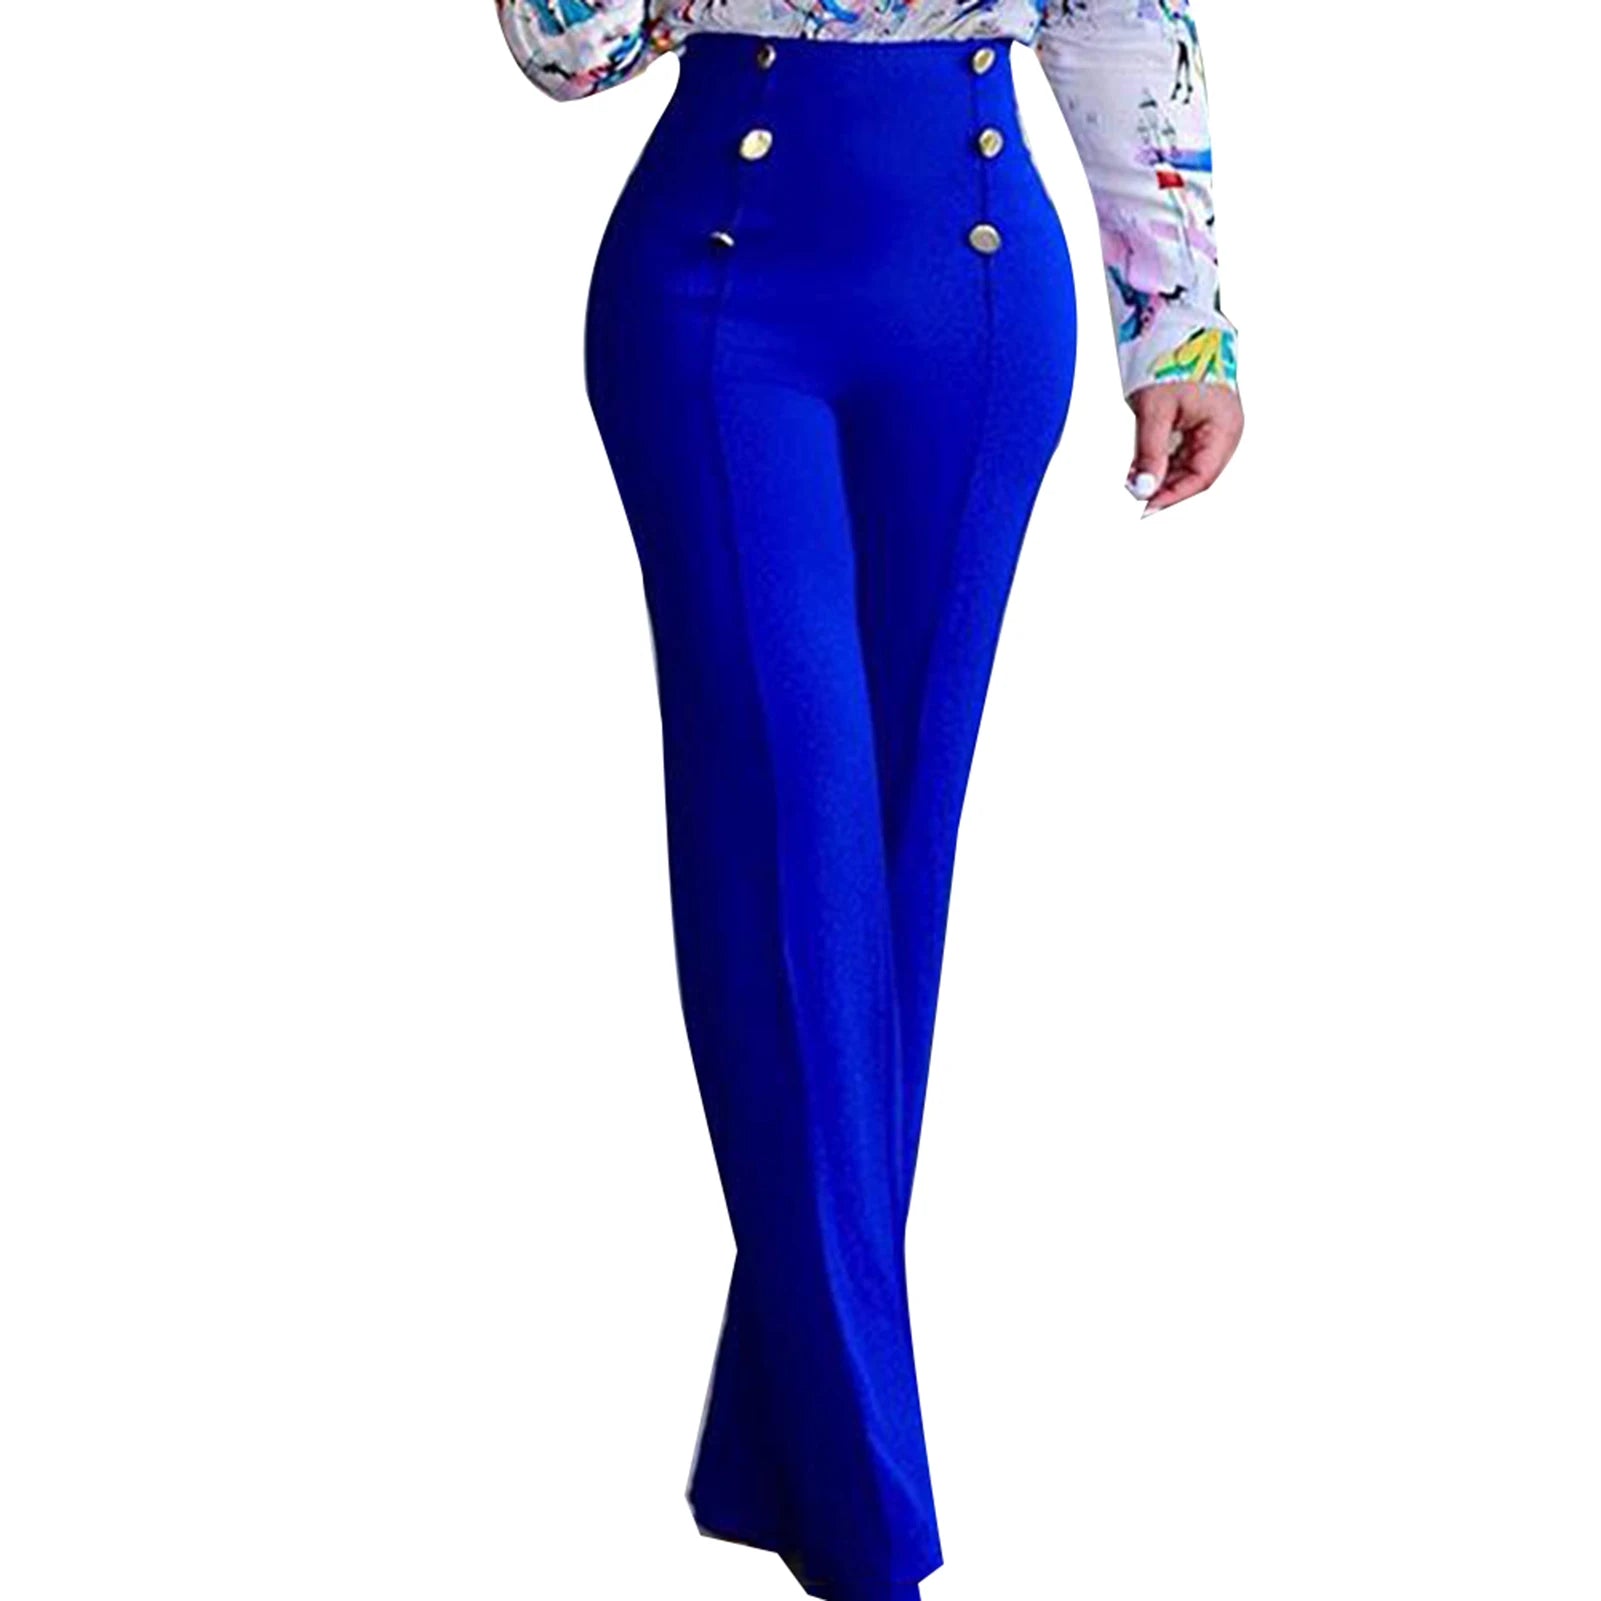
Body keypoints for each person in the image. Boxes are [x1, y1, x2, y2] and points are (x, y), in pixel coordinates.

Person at [493, 3, 1244, 1597]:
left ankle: (775, 1445)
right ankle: (863, 1537)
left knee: (890, 874)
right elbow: (568, 50)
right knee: (788, 817)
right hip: (717, 284)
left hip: (977, 298)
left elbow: (1120, 21)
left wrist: (1178, 328)